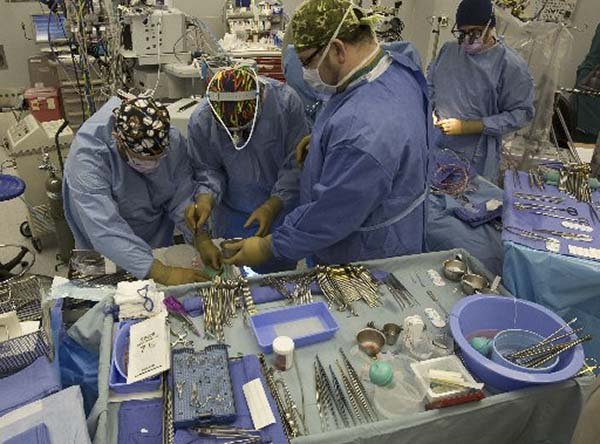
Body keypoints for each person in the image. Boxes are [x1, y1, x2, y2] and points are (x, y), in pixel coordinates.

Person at [222, 0, 430, 268]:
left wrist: (269, 246)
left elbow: (331, 215)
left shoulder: (362, 131)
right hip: (396, 226)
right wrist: (323, 141)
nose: (307, 73)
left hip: (365, 255)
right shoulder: (396, 68)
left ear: (337, 49)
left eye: (308, 62)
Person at [63, 96, 208, 285]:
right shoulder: (88, 159)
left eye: (160, 157)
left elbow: (181, 194)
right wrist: (163, 273)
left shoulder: (168, 138)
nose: (154, 165)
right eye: (141, 158)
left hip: (152, 235)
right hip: (102, 247)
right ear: (119, 142)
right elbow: (104, 229)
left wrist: (199, 236)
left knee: (156, 301)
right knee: (108, 300)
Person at [185, 66, 309, 273]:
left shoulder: (285, 104)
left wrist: (273, 206)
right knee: (236, 272)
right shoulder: (202, 119)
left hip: (280, 214)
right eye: (230, 132)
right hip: (232, 215)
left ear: (259, 104)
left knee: (280, 277)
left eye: (244, 129)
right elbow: (207, 169)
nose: (237, 137)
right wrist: (206, 198)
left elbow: (295, 164)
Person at [428, 0, 534, 182]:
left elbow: (522, 113)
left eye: (475, 32)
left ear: (490, 27)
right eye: (462, 33)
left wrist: (471, 126)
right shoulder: (448, 51)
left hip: (476, 157)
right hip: (438, 145)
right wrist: (429, 112)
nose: (467, 39)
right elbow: (430, 86)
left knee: (471, 204)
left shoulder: (509, 65)